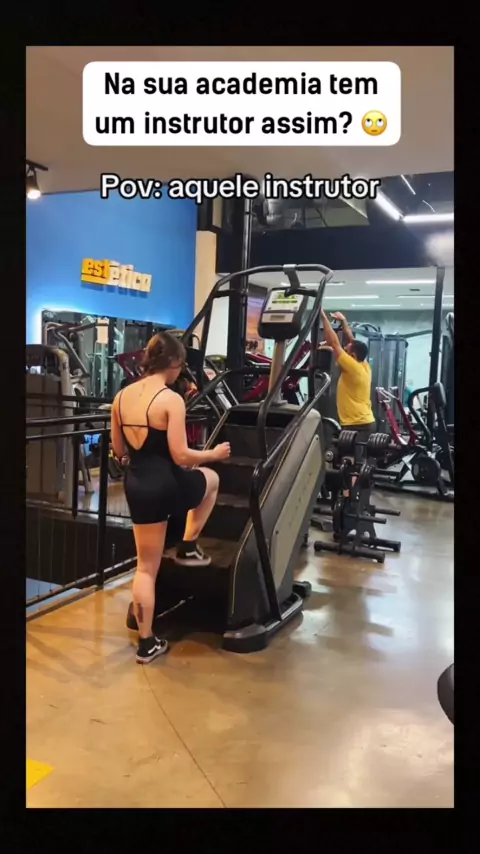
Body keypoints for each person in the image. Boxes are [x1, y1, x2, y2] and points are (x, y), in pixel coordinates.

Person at [110, 332, 231, 664]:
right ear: (175, 362)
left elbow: (119, 450)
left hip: (137, 486)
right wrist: (213, 454)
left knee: (145, 568)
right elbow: (181, 455)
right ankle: (188, 544)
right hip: (168, 484)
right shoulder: (171, 399)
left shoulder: (121, 397)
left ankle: (146, 642)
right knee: (211, 480)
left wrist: (135, 463)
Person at [320, 310, 376, 458]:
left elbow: (333, 342)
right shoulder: (364, 365)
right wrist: (344, 321)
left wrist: (322, 315)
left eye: (346, 350)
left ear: (352, 356)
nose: (344, 350)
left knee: (352, 462)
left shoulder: (353, 368)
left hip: (356, 425)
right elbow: (353, 342)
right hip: (363, 422)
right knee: (351, 461)